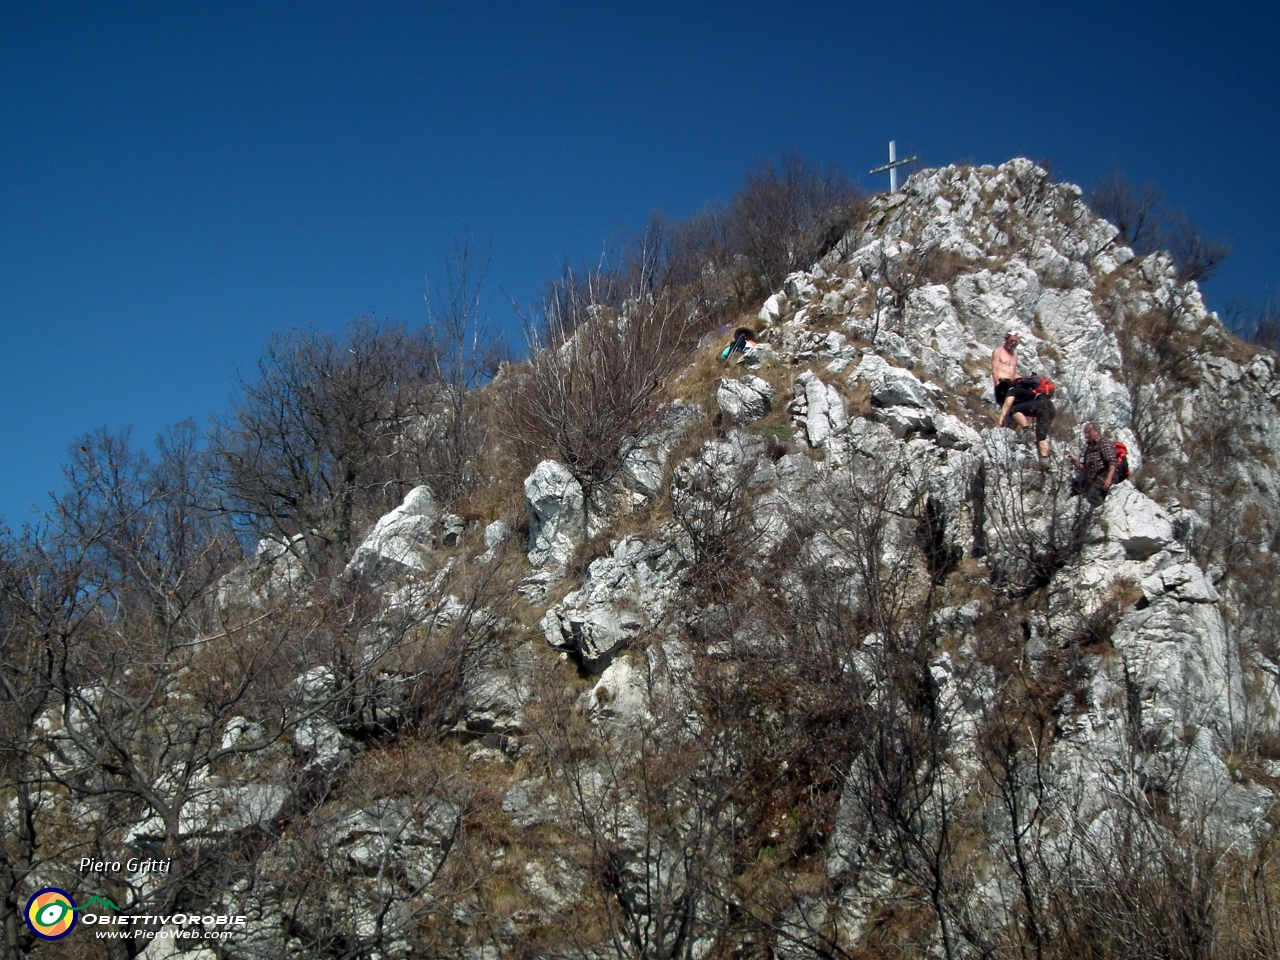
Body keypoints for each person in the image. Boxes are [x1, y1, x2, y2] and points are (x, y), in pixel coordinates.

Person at [1068, 423, 1118, 505]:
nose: (1086, 435)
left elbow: (1112, 462)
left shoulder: (1104, 443)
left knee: (1093, 495)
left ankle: (1101, 515)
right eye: (1085, 433)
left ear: (1097, 432)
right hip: (1093, 479)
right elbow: (1085, 468)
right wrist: (1073, 461)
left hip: (1104, 476)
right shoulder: (1088, 449)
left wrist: (1108, 479)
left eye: (1088, 432)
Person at [992, 329, 1025, 428]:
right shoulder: (998, 352)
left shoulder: (1014, 356)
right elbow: (994, 370)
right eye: (1011, 340)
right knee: (1009, 406)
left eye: (1015, 341)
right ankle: (1000, 424)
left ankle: (1011, 429)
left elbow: (1013, 373)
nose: (1013, 343)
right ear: (1006, 339)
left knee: (1019, 406)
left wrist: (1026, 379)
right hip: (1002, 383)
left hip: (1012, 383)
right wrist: (997, 385)